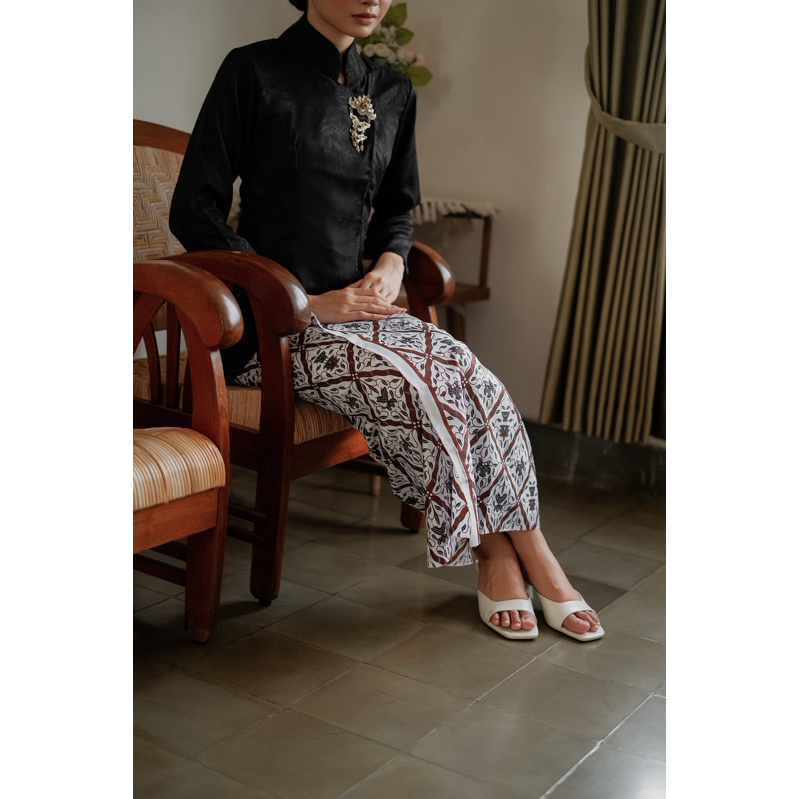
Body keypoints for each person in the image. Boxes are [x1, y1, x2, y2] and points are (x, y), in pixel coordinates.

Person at [170, 0, 603, 642]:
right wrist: (300, 303)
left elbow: (398, 208)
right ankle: (496, 554)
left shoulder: (393, 89)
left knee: (476, 380)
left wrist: (393, 264)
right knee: (416, 387)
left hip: (364, 312)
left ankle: (530, 549)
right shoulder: (253, 71)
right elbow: (194, 209)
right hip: (273, 328)